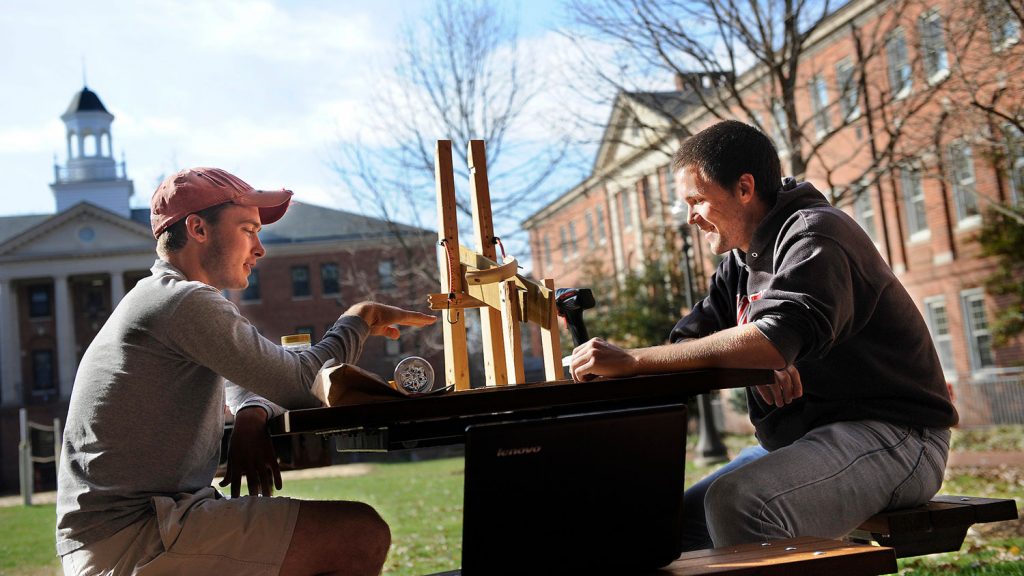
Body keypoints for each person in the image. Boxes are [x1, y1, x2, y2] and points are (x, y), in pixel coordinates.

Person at [569, 120, 958, 550]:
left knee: (741, 504)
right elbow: (686, 342)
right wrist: (755, 359)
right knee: (672, 526)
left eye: (697, 200)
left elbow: (774, 338)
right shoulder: (739, 264)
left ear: (744, 188)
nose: (690, 218)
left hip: (898, 436)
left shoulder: (814, 233)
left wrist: (636, 360)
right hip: (807, 441)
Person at [56, 167, 437, 575]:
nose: (260, 248)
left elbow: (246, 370)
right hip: (134, 537)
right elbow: (300, 380)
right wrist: (361, 317)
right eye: (248, 229)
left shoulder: (162, 297)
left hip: (130, 531)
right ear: (198, 228)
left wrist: (251, 412)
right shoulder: (184, 301)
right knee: (359, 534)